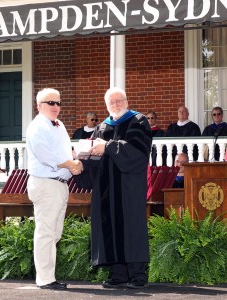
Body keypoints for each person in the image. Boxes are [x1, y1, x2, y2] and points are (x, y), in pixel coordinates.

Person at [80, 87, 152, 289]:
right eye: (111, 103)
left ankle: (137, 275)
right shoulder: (102, 127)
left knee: (131, 227)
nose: (116, 105)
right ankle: (118, 274)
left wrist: (109, 146)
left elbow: (138, 152)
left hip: (128, 186)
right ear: (106, 105)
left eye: (119, 101)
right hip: (106, 188)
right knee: (109, 225)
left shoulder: (138, 121)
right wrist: (82, 159)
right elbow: (95, 157)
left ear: (127, 102)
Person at [26, 88, 83, 290]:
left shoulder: (59, 125)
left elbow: (65, 151)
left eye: (58, 103)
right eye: (51, 103)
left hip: (59, 184)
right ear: (39, 106)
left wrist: (78, 157)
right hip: (45, 183)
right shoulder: (36, 127)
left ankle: (48, 276)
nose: (56, 107)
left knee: (55, 233)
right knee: (46, 233)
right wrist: (71, 164)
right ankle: (45, 279)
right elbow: (46, 156)